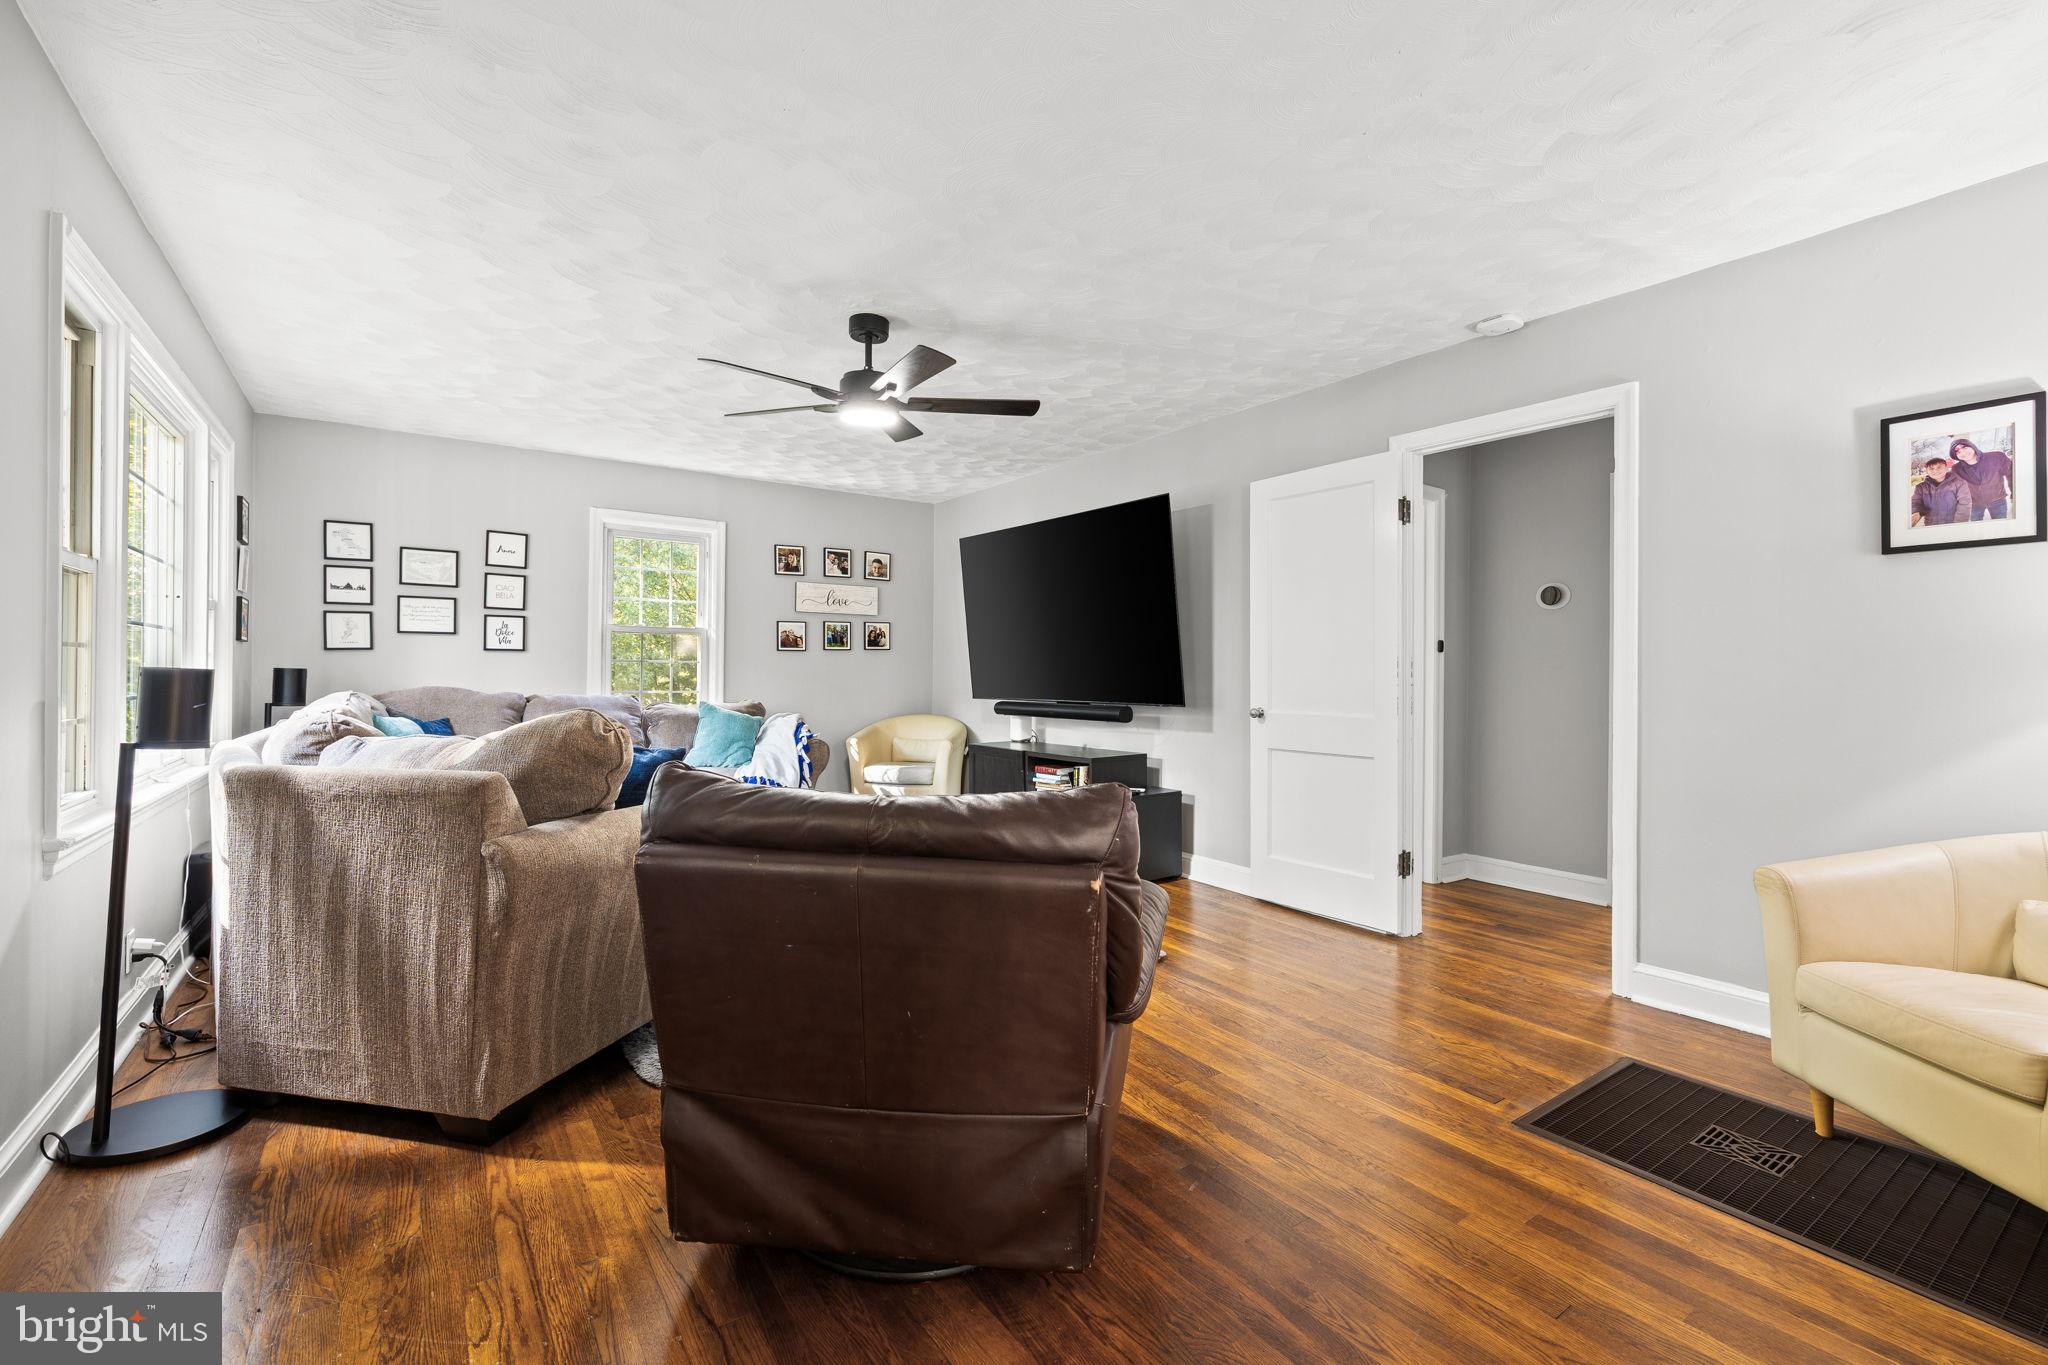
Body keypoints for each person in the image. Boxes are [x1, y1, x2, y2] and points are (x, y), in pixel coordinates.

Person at [1947, 438, 2014, 520]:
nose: (1963, 452)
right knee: (1976, 528)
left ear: (1972, 446)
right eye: (1958, 451)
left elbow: (2012, 475)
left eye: (1964, 447)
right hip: (1974, 504)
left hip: (1997, 500)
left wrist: (2015, 494)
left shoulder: (1997, 457)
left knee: (1999, 525)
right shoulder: (1956, 469)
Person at [1910, 457, 1962, 526]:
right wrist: (1917, 512)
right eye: (1931, 469)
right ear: (1927, 471)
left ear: (1946, 468)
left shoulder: (1957, 483)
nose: (1935, 470)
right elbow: (1916, 501)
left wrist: (1959, 523)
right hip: (1930, 524)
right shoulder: (1921, 487)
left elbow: (1964, 503)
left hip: (1952, 523)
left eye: (1939, 467)